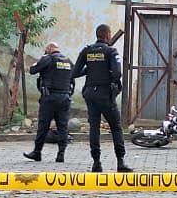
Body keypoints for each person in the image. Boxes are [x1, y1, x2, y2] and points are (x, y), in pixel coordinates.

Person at [73, 24, 131, 173]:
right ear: (108, 35)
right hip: (106, 94)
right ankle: (120, 162)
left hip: (90, 94)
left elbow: (74, 73)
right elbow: (117, 73)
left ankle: (96, 163)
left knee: (94, 128)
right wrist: (108, 75)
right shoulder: (111, 51)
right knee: (116, 127)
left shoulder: (87, 51)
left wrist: (90, 70)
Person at [24, 42, 74, 164]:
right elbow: (73, 79)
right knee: (63, 127)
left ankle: (37, 152)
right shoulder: (68, 62)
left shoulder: (48, 59)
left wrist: (41, 59)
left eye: (46, 50)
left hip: (50, 97)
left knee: (43, 126)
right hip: (65, 98)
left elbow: (32, 70)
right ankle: (61, 154)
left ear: (49, 49)